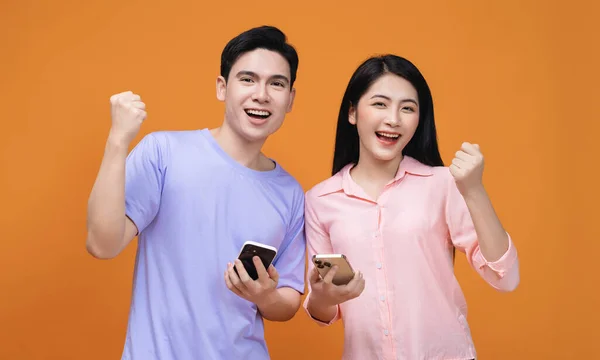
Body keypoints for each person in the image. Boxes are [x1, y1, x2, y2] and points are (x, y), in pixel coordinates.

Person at [85, 25, 306, 360]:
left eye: (276, 84)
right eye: (247, 79)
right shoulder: (164, 152)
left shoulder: (290, 192)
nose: (262, 94)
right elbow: (102, 244)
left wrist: (263, 295)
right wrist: (118, 140)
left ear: (289, 100)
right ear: (222, 87)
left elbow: (287, 303)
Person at [303, 54, 520, 360]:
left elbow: (506, 278)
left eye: (407, 108)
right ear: (352, 112)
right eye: (380, 104)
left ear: (419, 119)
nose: (394, 119)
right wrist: (324, 297)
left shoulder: (443, 184)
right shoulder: (320, 200)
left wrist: (474, 191)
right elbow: (324, 313)